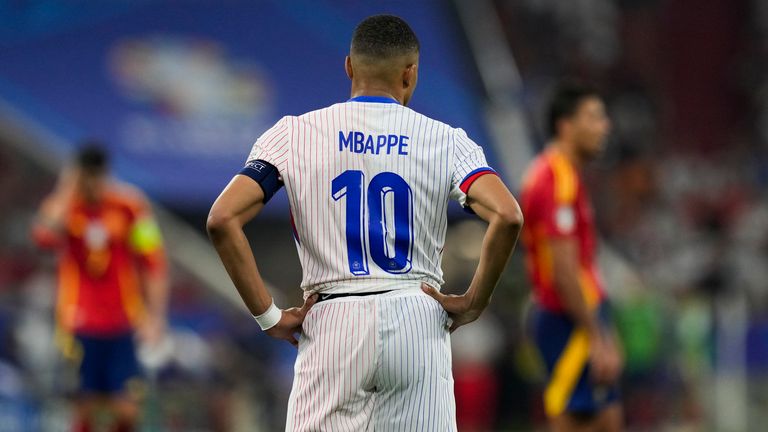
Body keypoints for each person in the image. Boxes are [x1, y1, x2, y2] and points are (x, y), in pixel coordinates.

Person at [207, 14, 523, 431]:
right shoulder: (447, 140)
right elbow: (508, 214)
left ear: (349, 67)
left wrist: (268, 316)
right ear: (411, 73)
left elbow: (222, 218)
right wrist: (473, 302)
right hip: (418, 317)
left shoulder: (293, 134)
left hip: (333, 317)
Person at [32, 142, 169, 432]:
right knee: (85, 407)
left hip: (123, 321)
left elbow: (153, 262)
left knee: (128, 408)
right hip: (79, 323)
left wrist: (156, 317)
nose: (92, 184)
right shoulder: (65, 207)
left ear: (105, 174)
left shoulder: (130, 206)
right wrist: (67, 188)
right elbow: (43, 237)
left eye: (97, 176)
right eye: (85, 176)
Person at [520, 83, 624, 431]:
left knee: (607, 419)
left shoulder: (556, 175)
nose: (604, 126)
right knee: (574, 420)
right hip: (569, 319)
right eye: (594, 117)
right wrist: (596, 334)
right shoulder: (555, 179)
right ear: (565, 125)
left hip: (578, 314)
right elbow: (563, 271)